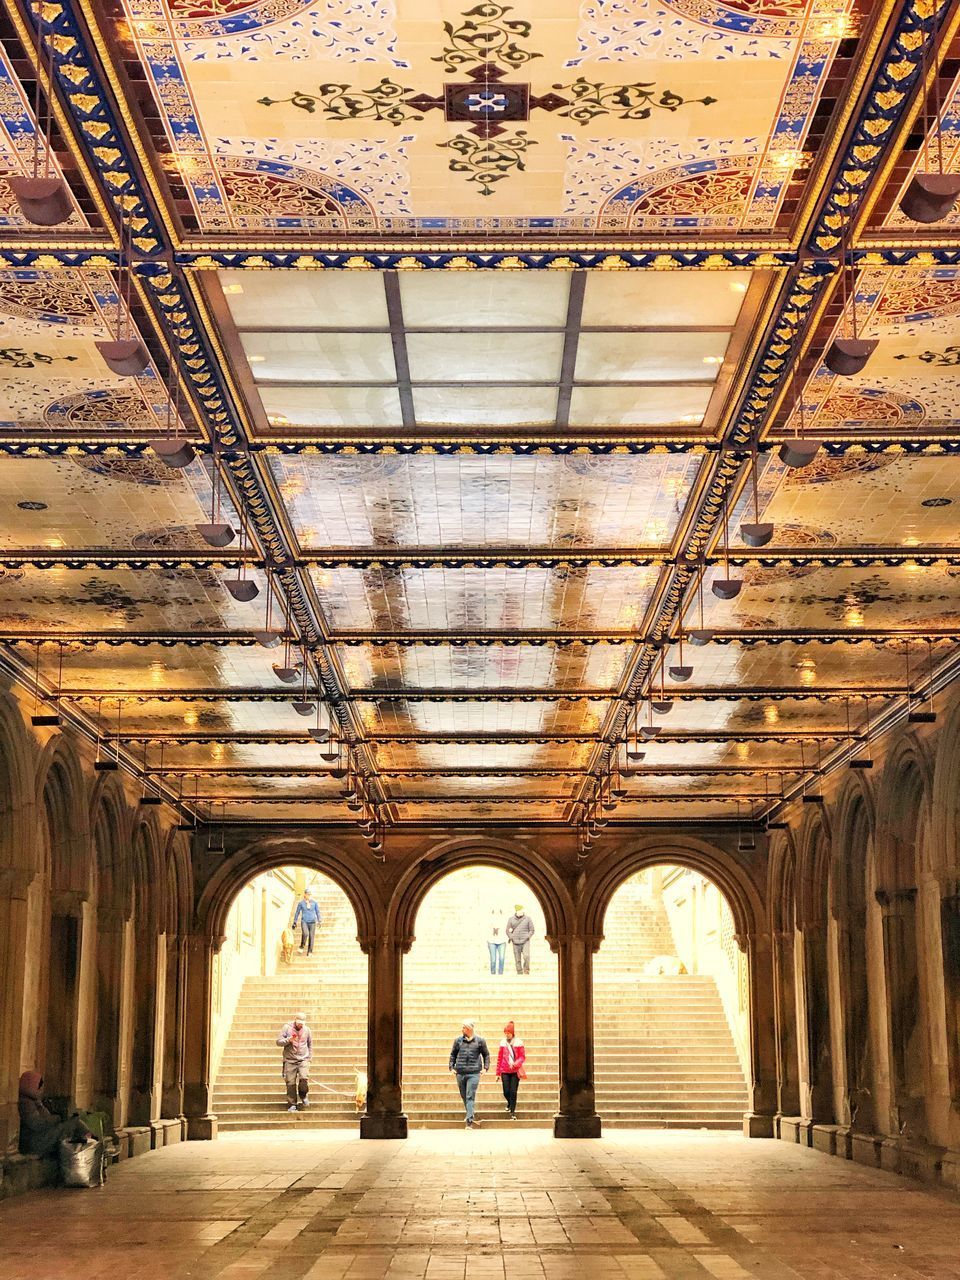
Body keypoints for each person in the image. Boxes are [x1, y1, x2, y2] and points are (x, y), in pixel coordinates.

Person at [18, 1071, 94, 1157]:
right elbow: (37, 1123)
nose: (41, 1091)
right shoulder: (26, 1103)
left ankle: (88, 1139)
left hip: (39, 1138)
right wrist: (58, 1118)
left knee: (73, 1121)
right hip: (35, 1142)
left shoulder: (33, 1101)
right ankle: (90, 1140)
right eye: (39, 1088)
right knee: (73, 1123)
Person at [448, 1019, 489, 1129]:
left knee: (470, 1096)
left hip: (474, 1073)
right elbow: (453, 1054)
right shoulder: (458, 1041)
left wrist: (485, 1068)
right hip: (460, 1072)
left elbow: (486, 1055)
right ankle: (469, 1114)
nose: (462, 1029)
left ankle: (469, 1122)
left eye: (464, 1027)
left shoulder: (480, 1041)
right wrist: (451, 1067)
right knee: (464, 1096)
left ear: (469, 1029)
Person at [276, 1012, 312, 1112]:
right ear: (295, 1020)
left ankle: (303, 1095)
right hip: (290, 1059)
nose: (300, 1025)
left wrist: (309, 1058)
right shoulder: (287, 1028)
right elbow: (278, 1041)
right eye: (298, 1022)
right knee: (290, 1083)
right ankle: (292, 1104)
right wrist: (288, 1040)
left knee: (304, 1078)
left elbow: (310, 1044)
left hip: (303, 1059)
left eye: (302, 1023)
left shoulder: (307, 1030)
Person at [496, 1021, 526, 1119]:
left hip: (515, 1070)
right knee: (506, 1091)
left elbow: (522, 1057)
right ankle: (510, 1103)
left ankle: (512, 1111)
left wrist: (516, 1063)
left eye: (508, 1033)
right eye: (506, 1033)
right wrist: (498, 1072)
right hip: (505, 1070)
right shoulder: (503, 1043)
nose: (507, 1035)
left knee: (513, 1091)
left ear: (512, 1033)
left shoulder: (518, 1042)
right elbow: (499, 1058)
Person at [506, 903, 535, 974]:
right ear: (516, 911)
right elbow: (507, 930)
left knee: (526, 956)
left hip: (525, 941)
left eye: (521, 911)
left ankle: (526, 969)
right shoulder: (511, 919)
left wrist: (528, 936)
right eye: (519, 911)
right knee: (517, 958)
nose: (520, 912)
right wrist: (511, 937)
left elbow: (532, 930)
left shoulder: (528, 919)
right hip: (515, 942)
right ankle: (519, 971)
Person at [292, 888, 322, 956]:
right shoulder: (301, 903)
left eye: (310, 894)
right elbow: (297, 913)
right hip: (304, 921)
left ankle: (310, 952)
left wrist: (319, 920)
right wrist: (295, 922)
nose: (309, 896)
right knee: (305, 934)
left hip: (313, 922)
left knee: (311, 936)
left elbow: (317, 912)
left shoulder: (314, 903)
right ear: (305, 894)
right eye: (308, 894)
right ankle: (302, 946)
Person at [487, 907, 506, 975]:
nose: (496, 914)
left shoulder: (503, 920)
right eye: (495, 912)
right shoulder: (490, 920)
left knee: (502, 958)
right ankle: (493, 972)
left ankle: (500, 972)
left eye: (498, 912)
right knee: (493, 960)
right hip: (492, 941)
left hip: (502, 941)